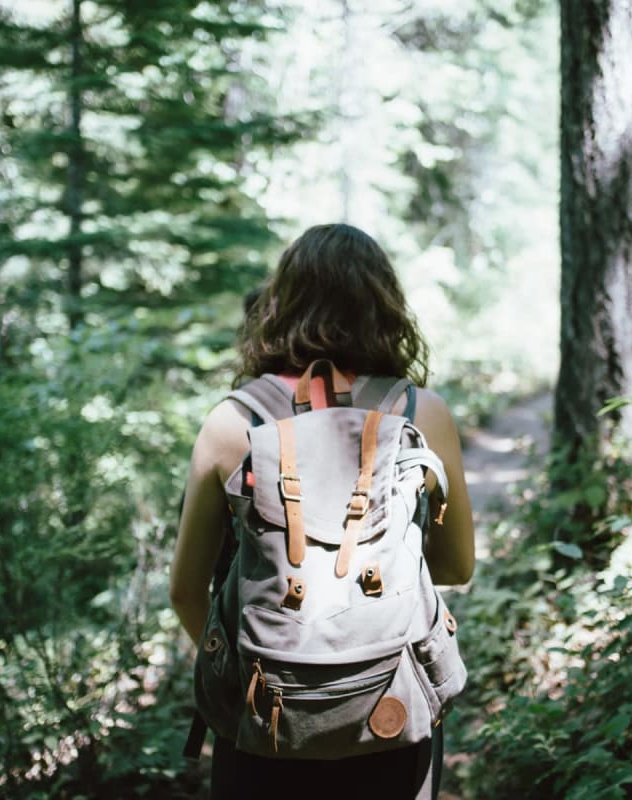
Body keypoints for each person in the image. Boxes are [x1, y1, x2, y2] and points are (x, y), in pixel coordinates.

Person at [170, 223, 476, 800]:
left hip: (264, 723)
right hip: (391, 714)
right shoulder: (421, 413)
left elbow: (186, 592)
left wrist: (256, 673)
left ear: (280, 305)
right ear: (384, 307)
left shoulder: (231, 422)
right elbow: (457, 567)